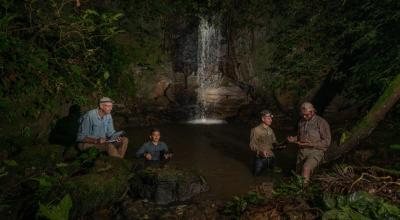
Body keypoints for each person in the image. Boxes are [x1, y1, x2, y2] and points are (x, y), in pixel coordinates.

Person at [287, 102, 331, 184]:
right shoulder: (301, 121)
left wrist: (311, 144)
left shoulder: (321, 122)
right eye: (302, 115)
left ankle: (303, 192)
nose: (304, 117)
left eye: (306, 115)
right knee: (298, 176)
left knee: (306, 168)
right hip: (302, 152)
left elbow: (327, 142)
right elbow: (300, 137)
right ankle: (301, 189)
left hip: (316, 151)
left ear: (312, 112)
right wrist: (293, 139)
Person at [249, 110, 279, 176]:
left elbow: (274, 142)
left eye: (271, 118)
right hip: (260, 159)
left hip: (271, 158)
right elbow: (252, 145)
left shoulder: (270, 130)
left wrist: (284, 143)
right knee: (255, 178)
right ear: (263, 119)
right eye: (268, 118)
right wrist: (260, 152)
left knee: (272, 177)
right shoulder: (256, 130)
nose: (271, 120)